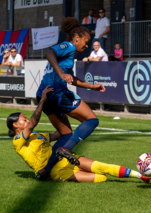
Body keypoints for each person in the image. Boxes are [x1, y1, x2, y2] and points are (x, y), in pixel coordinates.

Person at [7, 86, 151, 183]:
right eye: (23, 119)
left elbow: (60, 134)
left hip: (66, 158)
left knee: (101, 167)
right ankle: (54, 174)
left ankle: (140, 176)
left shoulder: (38, 135)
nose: (27, 121)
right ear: (15, 125)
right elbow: (33, 122)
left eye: (26, 118)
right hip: (56, 171)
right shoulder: (17, 141)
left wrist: (61, 110)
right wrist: (43, 101)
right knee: (101, 179)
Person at [35, 17, 106, 180]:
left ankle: (46, 170)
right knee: (92, 120)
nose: (86, 46)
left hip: (45, 95)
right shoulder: (69, 46)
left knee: (65, 134)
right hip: (58, 93)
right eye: (86, 42)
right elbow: (49, 52)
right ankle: (67, 149)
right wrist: (60, 73)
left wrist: (92, 86)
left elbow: (71, 78)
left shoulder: (69, 52)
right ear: (77, 38)